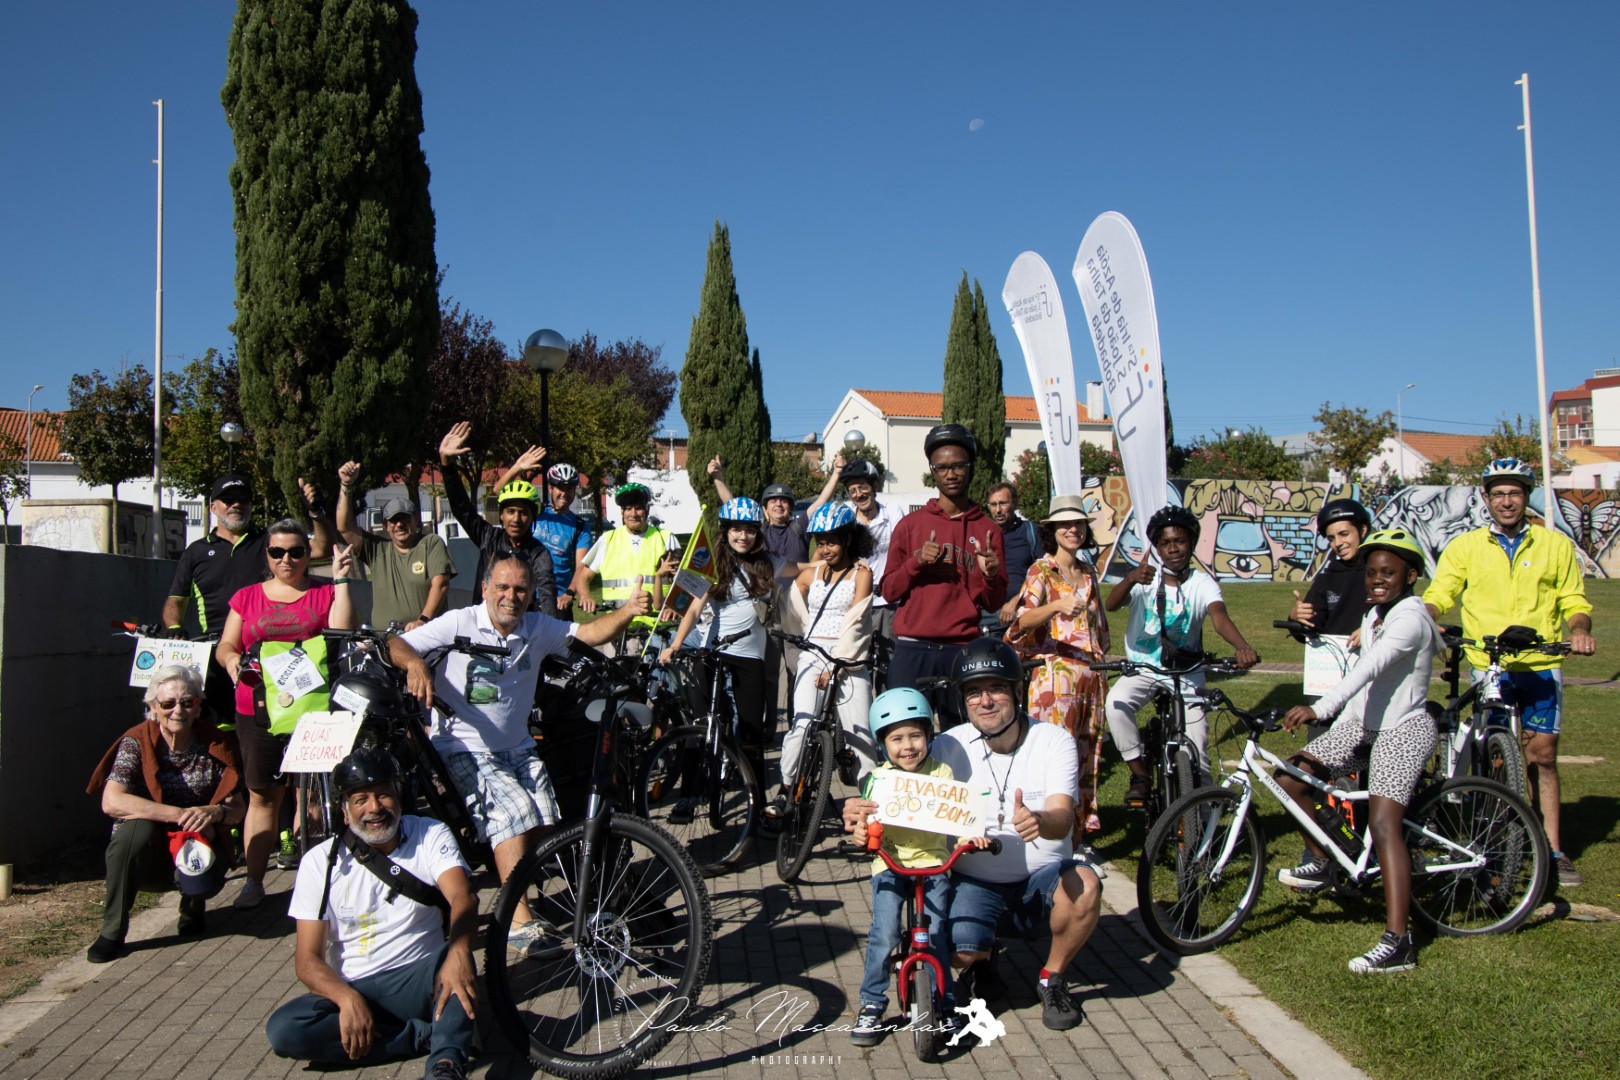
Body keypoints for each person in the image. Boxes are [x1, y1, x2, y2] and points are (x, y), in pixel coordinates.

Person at [388, 554, 652, 943]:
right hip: (463, 747)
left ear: (530, 595)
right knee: (515, 813)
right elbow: (396, 643)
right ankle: (516, 921)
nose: (510, 597)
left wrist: (628, 611)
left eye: (520, 590)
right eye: (502, 587)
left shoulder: (537, 626)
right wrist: (414, 664)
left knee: (546, 820)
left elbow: (589, 633)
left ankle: (543, 891)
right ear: (485, 589)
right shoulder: (460, 622)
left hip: (519, 748)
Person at [845, 638, 1101, 1032]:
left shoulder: (1053, 740)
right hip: (975, 879)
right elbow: (896, 784)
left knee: (1085, 884)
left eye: (996, 688)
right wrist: (860, 806)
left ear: (1018, 691)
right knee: (952, 949)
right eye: (973, 692)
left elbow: (1064, 816)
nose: (985, 701)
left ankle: (1052, 978)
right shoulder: (948, 744)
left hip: (1041, 878)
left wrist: (1040, 820)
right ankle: (983, 958)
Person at [1423, 457, 1596, 887]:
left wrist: (1579, 630)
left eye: (1514, 493)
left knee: (1543, 756)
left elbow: (1574, 600)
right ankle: (1497, 842)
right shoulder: (1466, 546)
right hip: (1490, 666)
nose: (1506, 501)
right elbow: (1440, 592)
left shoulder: (1554, 545)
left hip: (1540, 665)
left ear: (1525, 497)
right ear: (1486, 498)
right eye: (1498, 493)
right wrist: (1425, 618)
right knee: (1495, 757)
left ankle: (1553, 850)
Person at [1277, 529, 1444, 974]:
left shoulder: (1409, 619)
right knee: (1291, 778)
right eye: (1371, 573)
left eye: (1388, 573)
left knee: (1384, 825)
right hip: (1361, 724)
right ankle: (1323, 859)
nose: (1377, 580)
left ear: (1411, 576)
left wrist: (1320, 709)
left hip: (1403, 729)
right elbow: (1363, 684)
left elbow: (1368, 670)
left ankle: (1399, 941)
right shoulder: (1374, 615)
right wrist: (1337, 723)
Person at [265, 748, 478, 1080]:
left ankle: (446, 1062)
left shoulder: (429, 833)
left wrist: (460, 953)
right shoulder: (319, 862)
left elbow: (463, 898)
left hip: (421, 977)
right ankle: (423, 1036)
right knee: (285, 1029)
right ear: (344, 809)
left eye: (383, 795)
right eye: (360, 799)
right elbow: (307, 959)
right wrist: (345, 997)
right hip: (356, 986)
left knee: (454, 959)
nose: (374, 808)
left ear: (399, 795)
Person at [215, 521, 357, 908]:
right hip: (258, 710)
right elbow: (226, 644)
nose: (286, 560)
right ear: (267, 555)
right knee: (263, 796)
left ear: (308, 554)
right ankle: (254, 881)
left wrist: (342, 580)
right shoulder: (247, 597)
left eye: (296, 552)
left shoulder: (324, 591)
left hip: (313, 709)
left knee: (312, 795)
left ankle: (317, 881)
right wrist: (231, 660)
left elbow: (342, 631)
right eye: (277, 552)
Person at [849, 688, 987, 1046]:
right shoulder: (879, 780)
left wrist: (971, 836)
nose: (908, 746)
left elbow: (959, 814)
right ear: (883, 744)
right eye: (896, 739)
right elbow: (867, 824)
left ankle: (946, 1004)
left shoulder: (942, 774)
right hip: (890, 863)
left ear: (929, 735)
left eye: (916, 736)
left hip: (934, 864)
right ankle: (872, 1002)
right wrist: (862, 834)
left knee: (936, 933)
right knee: (884, 933)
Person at [84, 664, 245, 963]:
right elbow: (111, 801)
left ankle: (193, 906)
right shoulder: (136, 740)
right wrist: (177, 813)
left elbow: (237, 808)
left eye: (187, 702)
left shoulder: (217, 742)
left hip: (194, 839)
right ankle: (112, 931)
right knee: (136, 830)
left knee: (201, 832)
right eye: (168, 703)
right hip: (149, 845)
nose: (178, 711)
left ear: (199, 705)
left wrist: (215, 812)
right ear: (153, 707)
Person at [1103, 504, 1260, 808]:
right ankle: (1139, 774)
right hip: (1144, 669)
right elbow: (1111, 604)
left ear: (1191, 543)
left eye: (1180, 541)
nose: (1173, 549)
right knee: (1116, 704)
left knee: (1198, 752)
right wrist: (1130, 578)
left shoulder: (1202, 583)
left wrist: (1242, 646)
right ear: (1157, 548)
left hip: (1187, 672)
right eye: (1165, 543)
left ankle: (1203, 816)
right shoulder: (1146, 579)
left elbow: (1219, 617)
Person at [161, 472, 333, 726]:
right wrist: (174, 628)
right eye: (228, 499)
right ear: (213, 507)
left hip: (270, 656)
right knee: (221, 731)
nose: (236, 505)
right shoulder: (196, 552)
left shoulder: (269, 543)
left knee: (266, 727)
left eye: (243, 499)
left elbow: (321, 548)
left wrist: (316, 512)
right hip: (218, 655)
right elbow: (176, 599)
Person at [660, 498, 793, 794]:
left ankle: (756, 797)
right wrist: (675, 644)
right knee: (702, 724)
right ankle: (689, 794)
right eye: (736, 529)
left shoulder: (767, 564)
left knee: (750, 730)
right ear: (725, 531)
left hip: (750, 655)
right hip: (713, 652)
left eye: (750, 530)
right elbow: (694, 610)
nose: (743, 536)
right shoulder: (713, 563)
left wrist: (839, 562)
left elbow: (804, 569)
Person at [880, 425, 1007, 729]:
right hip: (912, 647)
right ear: (932, 471)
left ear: (970, 468)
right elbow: (888, 591)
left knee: (964, 735)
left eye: (958, 466)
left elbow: (994, 602)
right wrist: (916, 563)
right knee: (906, 732)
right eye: (942, 467)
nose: (951, 474)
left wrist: (990, 576)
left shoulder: (988, 530)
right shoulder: (910, 526)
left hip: (960, 649)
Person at [1006, 495, 1110, 840]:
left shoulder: (1088, 573)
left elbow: (1100, 630)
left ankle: (1076, 836)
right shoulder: (1042, 570)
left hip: (1091, 678)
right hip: (1055, 679)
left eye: (1078, 523)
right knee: (1054, 758)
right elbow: (1021, 622)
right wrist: (1056, 606)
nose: (1072, 530)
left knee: (1086, 755)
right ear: (1052, 531)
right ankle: (1047, 835)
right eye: (1064, 524)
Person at [771, 503, 878, 820]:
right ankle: (785, 788)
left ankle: (873, 802)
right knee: (802, 724)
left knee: (860, 733)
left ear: (848, 539)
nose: (826, 548)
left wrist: (836, 666)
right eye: (821, 541)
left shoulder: (862, 573)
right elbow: (787, 597)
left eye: (832, 541)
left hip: (849, 657)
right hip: (813, 653)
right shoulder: (812, 572)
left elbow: (857, 624)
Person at [437, 422, 556, 616]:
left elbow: (547, 594)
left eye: (523, 512)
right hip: (483, 625)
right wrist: (447, 465)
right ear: (501, 515)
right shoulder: (488, 537)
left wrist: (548, 627)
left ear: (532, 516)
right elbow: (461, 508)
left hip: (521, 625)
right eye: (510, 511)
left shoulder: (539, 554)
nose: (516, 518)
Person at [335, 461, 454, 631]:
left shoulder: (430, 543)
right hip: (385, 640)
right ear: (386, 525)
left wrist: (423, 620)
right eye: (393, 520)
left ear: (415, 519)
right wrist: (346, 485)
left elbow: (441, 583)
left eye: (404, 518)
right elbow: (344, 528)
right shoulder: (376, 549)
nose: (399, 525)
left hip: (425, 636)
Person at [808, 455, 906, 646]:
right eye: (852, 490)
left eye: (863, 487)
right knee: (854, 653)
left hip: (887, 601)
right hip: (854, 601)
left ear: (874, 486)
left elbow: (901, 550)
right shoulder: (847, 518)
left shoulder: (892, 512)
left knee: (888, 656)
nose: (858, 494)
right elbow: (823, 549)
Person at [492, 447, 596, 615]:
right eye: (560, 487)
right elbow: (498, 492)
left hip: (557, 600)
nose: (565, 493)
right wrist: (517, 468)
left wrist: (569, 593)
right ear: (550, 488)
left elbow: (580, 567)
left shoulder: (579, 526)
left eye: (569, 488)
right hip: (524, 595)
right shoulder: (535, 512)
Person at [571, 482, 677, 641]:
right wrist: (585, 596)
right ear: (622, 512)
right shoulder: (608, 539)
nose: (633, 514)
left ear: (647, 510)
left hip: (657, 628)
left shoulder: (665, 538)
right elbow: (583, 576)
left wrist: (675, 606)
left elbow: (685, 580)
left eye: (638, 508)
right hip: (616, 627)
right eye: (628, 509)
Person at [1290, 498, 1373, 636]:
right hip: (1334, 650)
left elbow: (1400, 616)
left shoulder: (1381, 573)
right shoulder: (1326, 579)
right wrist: (1296, 618)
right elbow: (1309, 632)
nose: (1338, 543)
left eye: (1344, 534)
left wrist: (1371, 630)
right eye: (1331, 538)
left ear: (1363, 530)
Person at [708, 456, 808, 564]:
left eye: (784, 501)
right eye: (773, 501)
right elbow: (733, 507)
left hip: (797, 575)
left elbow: (819, 502)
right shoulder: (758, 530)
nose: (778, 504)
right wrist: (717, 476)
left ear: (790, 507)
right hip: (764, 575)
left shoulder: (799, 526)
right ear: (765, 508)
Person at [983, 482, 1041, 633]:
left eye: (1003, 503)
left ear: (1015, 503)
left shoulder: (1032, 532)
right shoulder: (982, 534)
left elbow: (1043, 574)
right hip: (987, 616)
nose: (998, 510)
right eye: (993, 504)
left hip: (1022, 611)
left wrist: (1017, 600)